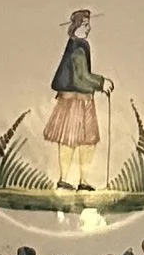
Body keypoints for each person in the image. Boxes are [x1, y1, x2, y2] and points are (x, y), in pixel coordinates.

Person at [42, 10, 109, 195]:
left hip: (78, 100)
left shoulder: (78, 45)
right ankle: (70, 180)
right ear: (76, 26)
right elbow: (81, 78)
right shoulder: (78, 48)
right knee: (75, 140)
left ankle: (78, 181)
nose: (89, 28)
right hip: (76, 102)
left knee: (77, 141)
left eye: (88, 24)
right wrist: (102, 82)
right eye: (85, 25)